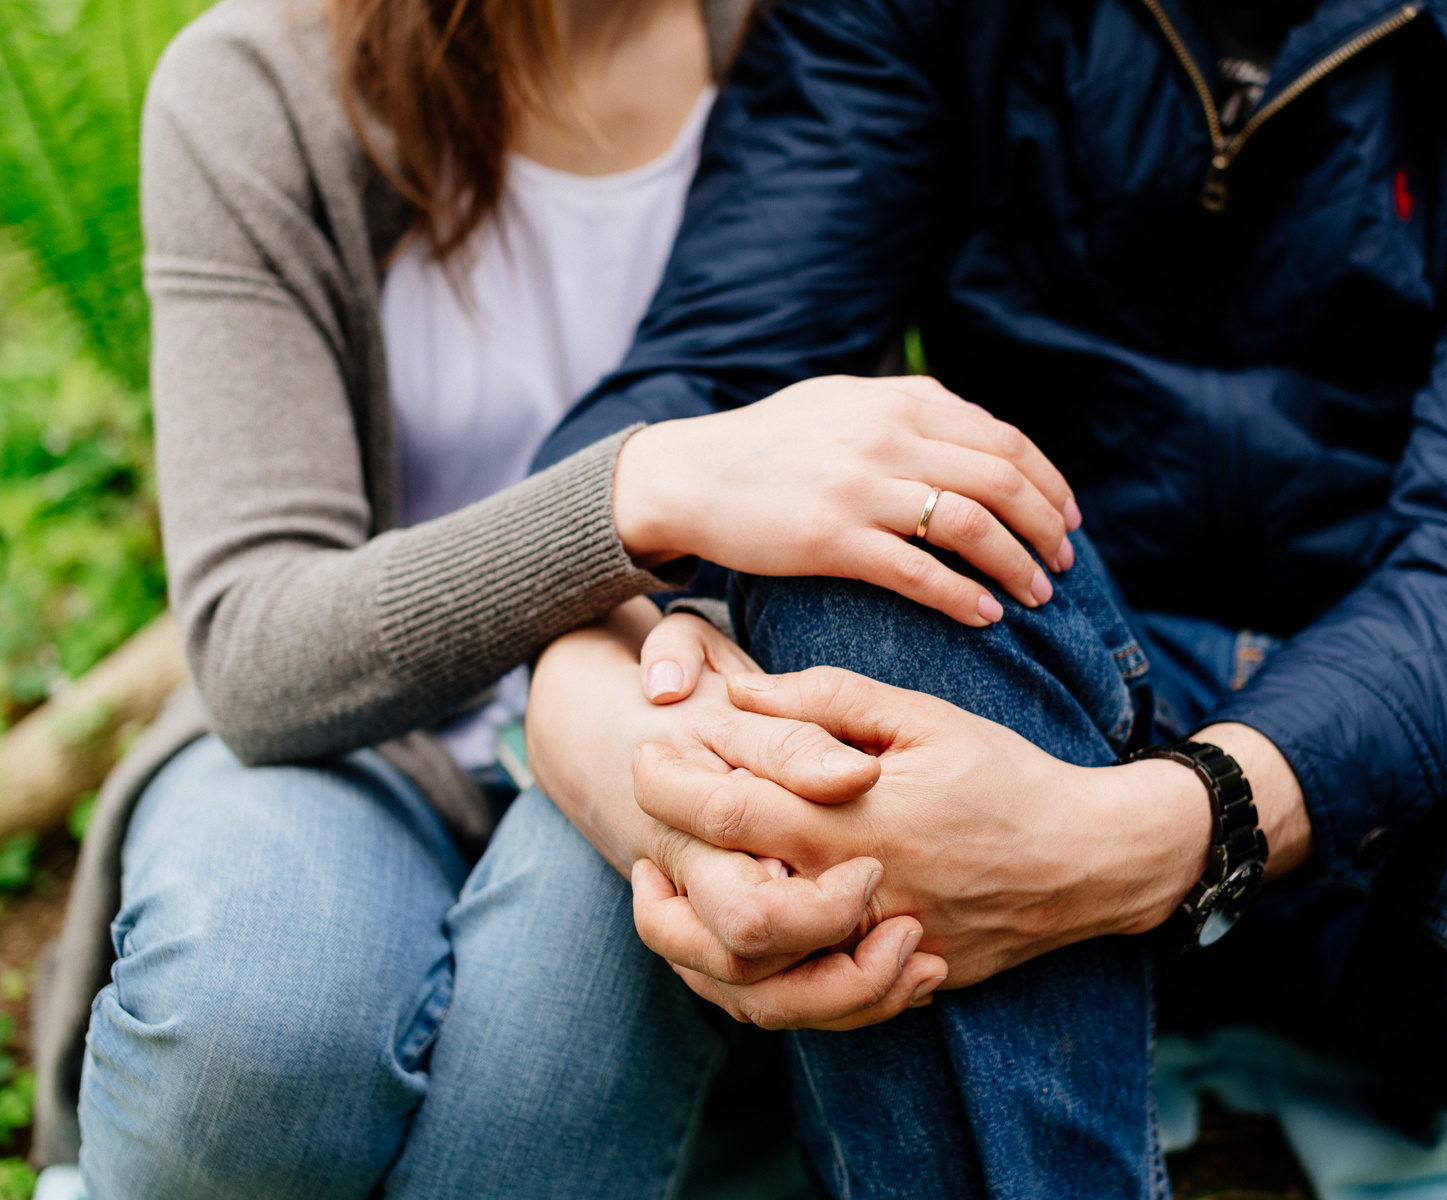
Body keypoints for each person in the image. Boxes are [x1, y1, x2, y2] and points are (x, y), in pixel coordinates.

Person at [524, 0, 1447, 1195]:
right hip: (1048, 651)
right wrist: (637, 718)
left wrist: (1140, 837)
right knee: (864, 607)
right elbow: (705, 390)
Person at [32, 0, 1090, 1192]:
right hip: (352, 737)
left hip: (681, 714)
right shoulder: (264, 83)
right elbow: (260, 646)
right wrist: (642, 492)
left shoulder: (818, 47)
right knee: (250, 1044)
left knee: (538, 1104)